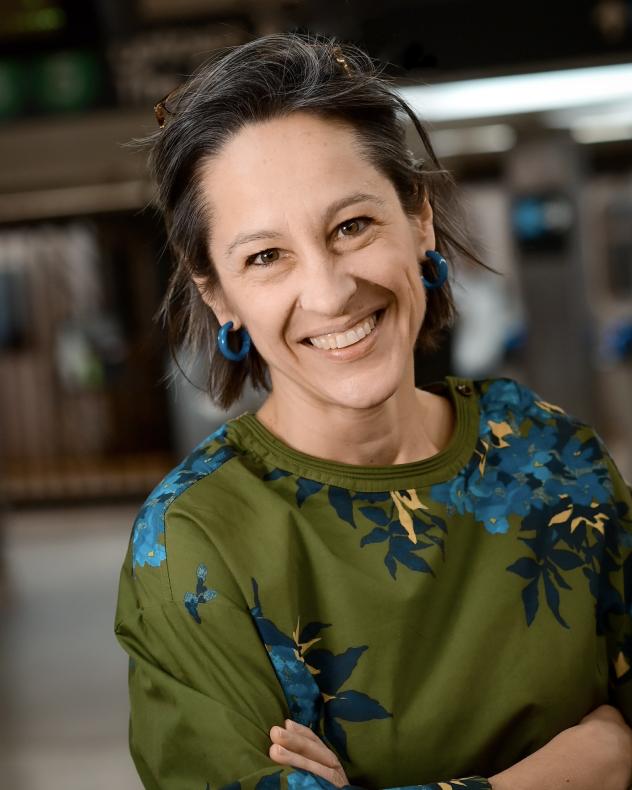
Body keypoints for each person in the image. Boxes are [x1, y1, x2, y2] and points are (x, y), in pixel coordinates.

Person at [114, 33, 632, 790]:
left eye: (351, 226)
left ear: (418, 219)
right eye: (266, 257)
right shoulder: (196, 541)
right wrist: (583, 767)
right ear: (217, 294)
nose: (329, 293)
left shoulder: (555, 460)